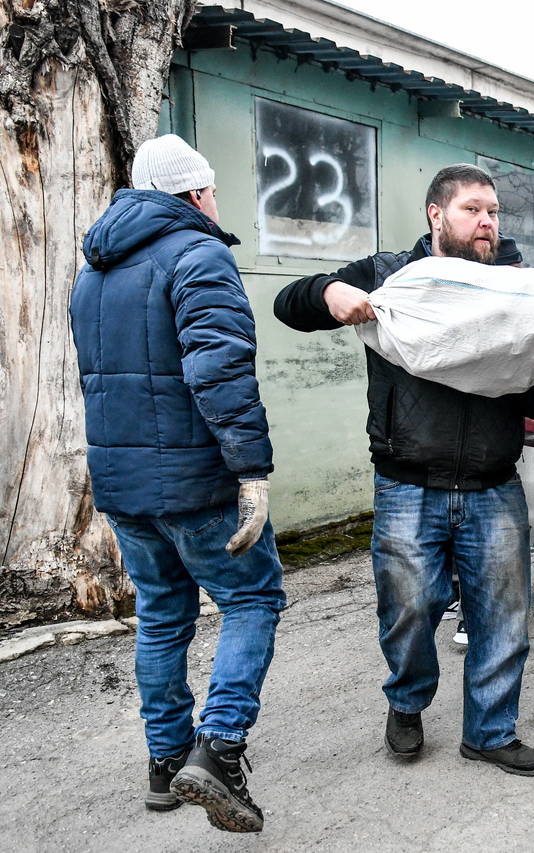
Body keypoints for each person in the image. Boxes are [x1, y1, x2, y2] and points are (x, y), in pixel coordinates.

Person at [273, 164, 534, 776]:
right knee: (409, 610)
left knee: (502, 618)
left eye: (494, 212)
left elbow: (529, 397)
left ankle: (491, 731)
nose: (487, 223)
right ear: (436, 214)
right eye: (473, 209)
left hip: (493, 487)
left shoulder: (517, 293)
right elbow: (288, 305)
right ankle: (407, 702)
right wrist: (328, 292)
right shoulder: (390, 276)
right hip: (406, 483)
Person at [69, 134, 284, 832]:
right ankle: (218, 749)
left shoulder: (93, 274)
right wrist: (251, 468)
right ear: (194, 193)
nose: (216, 202)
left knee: (163, 616)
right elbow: (218, 371)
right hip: (197, 485)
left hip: (124, 488)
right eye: (212, 190)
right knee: (253, 596)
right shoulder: (199, 254)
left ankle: (165, 762)